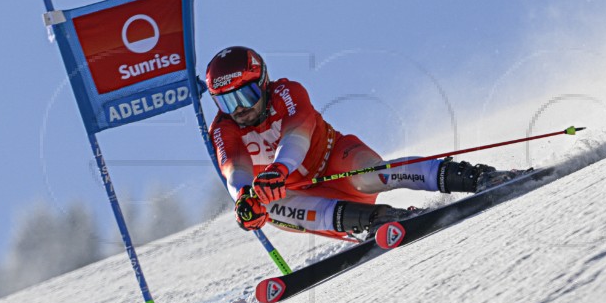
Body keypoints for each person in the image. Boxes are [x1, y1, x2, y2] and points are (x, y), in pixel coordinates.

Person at [206, 46, 506, 240]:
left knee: (367, 175)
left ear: (262, 83)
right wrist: (244, 197)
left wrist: (279, 169)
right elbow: (234, 168)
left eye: (244, 96)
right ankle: (379, 219)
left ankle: (476, 177)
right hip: (314, 200)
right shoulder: (223, 127)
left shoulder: (287, 92)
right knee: (266, 207)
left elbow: (295, 136)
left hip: (337, 160)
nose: (238, 109)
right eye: (225, 101)